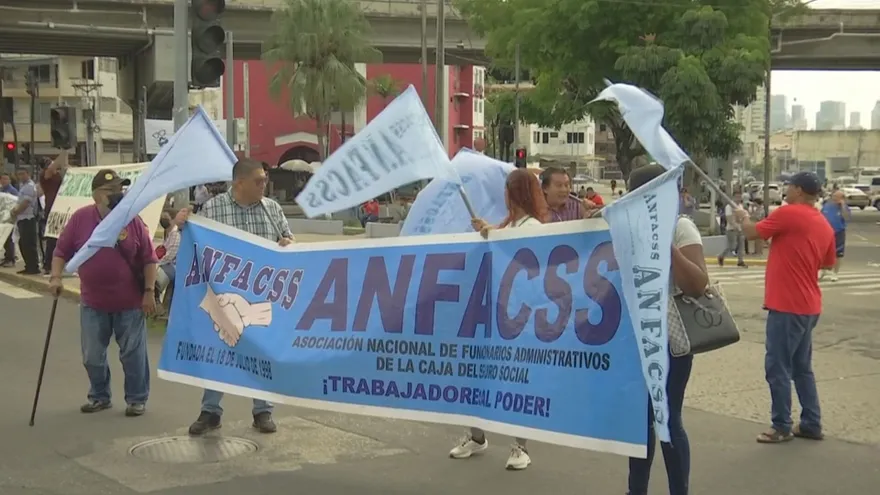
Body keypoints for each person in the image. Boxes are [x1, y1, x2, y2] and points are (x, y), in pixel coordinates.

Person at [188, 158, 295, 437]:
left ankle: (263, 410)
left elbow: (288, 240)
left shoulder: (272, 209)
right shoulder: (213, 208)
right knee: (219, 352)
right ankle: (210, 411)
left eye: (265, 180)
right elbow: (198, 246)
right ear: (239, 183)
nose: (265, 185)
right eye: (258, 181)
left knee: (261, 353)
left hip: (261, 296)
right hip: (224, 295)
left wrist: (287, 244)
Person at [451, 168, 549, 471]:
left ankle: (521, 447)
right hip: (496, 316)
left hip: (521, 320)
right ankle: (477, 435)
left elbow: (521, 254)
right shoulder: (512, 224)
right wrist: (489, 231)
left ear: (514, 193)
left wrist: (492, 234)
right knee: (477, 375)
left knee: (519, 382)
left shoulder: (532, 226)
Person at [624, 165, 707, 495]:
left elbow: (698, 284)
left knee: (668, 419)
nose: (680, 194)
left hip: (670, 343)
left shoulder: (681, 227)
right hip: (631, 342)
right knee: (638, 424)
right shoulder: (622, 228)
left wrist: (665, 245)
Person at [49, 169, 158, 416]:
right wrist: (55, 277)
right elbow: (60, 251)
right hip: (93, 302)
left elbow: (149, 259)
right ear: (96, 195)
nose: (118, 194)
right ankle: (100, 396)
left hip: (129, 302)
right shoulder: (80, 219)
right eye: (111, 191)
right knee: (92, 356)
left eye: (120, 189)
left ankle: (137, 399)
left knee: (133, 355)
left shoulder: (132, 220)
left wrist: (149, 291)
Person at [735, 171, 833, 443]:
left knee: (777, 366)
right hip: (810, 304)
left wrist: (743, 218)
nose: (786, 188)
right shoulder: (822, 222)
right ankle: (811, 422)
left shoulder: (789, 213)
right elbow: (827, 262)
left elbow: (753, 233)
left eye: (789, 185)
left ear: (799, 190)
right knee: (802, 366)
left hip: (787, 305)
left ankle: (781, 425)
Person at [40, 151, 69, 274]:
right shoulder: (45, 175)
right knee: (52, 239)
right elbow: (53, 167)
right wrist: (64, 151)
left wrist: (65, 156)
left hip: (61, 207)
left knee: (62, 238)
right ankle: (48, 264)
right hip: (52, 209)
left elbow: (65, 167)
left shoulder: (56, 174)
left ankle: (58, 263)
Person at [10, 167, 40, 275]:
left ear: (28, 174)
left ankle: (33, 267)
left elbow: (25, 203)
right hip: (22, 218)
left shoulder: (29, 186)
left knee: (28, 243)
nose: (21, 176)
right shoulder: (23, 186)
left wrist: (15, 212)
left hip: (28, 218)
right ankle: (29, 265)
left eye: (23, 174)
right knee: (23, 243)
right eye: (19, 174)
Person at [155, 208, 187, 303]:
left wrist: (157, 264)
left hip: (172, 266)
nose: (163, 219)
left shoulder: (175, 235)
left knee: (155, 280)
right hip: (169, 265)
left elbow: (170, 255)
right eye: (162, 217)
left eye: (165, 217)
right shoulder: (169, 233)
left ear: (173, 219)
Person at [819, 190, 849, 282]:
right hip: (826, 232)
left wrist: (842, 206)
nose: (835, 198)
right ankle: (822, 270)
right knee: (823, 252)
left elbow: (846, 217)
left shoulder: (844, 208)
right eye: (834, 196)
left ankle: (835, 273)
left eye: (837, 197)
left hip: (839, 232)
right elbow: (820, 216)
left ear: (842, 198)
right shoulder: (827, 206)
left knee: (838, 254)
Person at [717, 192, 747, 268]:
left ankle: (740, 261)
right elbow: (729, 218)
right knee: (731, 247)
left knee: (741, 245)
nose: (738, 199)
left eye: (739, 197)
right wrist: (736, 226)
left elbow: (743, 216)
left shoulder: (740, 206)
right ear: (733, 197)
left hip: (740, 229)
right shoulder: (729, 206)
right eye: (737, 197)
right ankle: (721, 256)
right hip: (731, 229)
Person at [0, 173, 18, 268]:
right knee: (4, 239)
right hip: (2, 218)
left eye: (6, 179)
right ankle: (7, 257)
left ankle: (11, 259)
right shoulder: (1, 190)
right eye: (3, 179)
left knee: (9, 239)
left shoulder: (13, 191)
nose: (4, 181)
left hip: (10, 219)